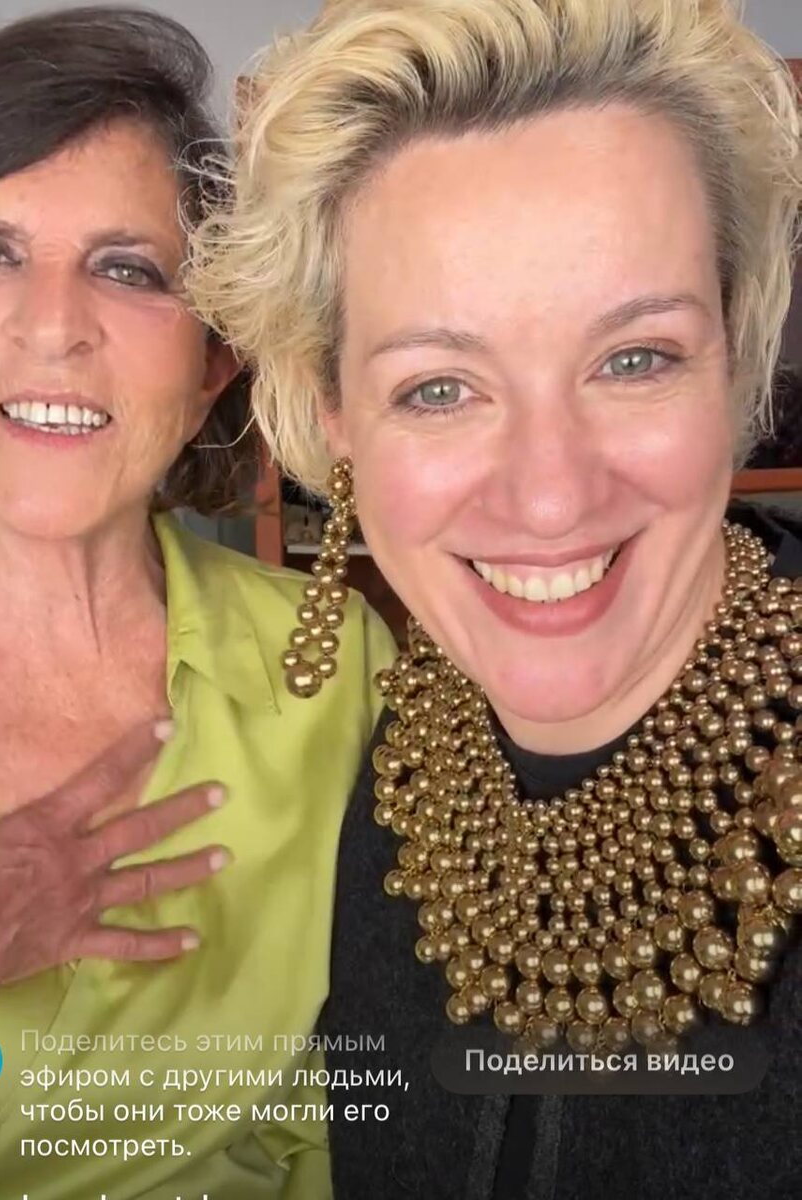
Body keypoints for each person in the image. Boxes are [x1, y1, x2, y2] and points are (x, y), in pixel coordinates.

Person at [188, 0, 802, 1197]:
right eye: (438, 387)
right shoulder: (404, 766)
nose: (550, 495)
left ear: (734, 360)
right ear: (334, 413)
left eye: (634, 360)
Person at [0, 9, 394, 1200]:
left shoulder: (332, 663)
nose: (53, 328)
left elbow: (378, 1106)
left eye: (129, 270)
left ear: (216, 357)